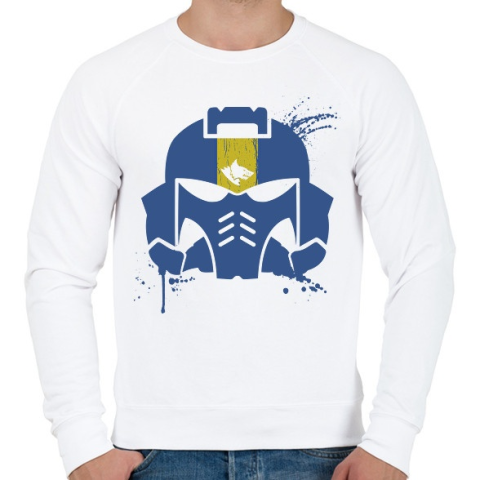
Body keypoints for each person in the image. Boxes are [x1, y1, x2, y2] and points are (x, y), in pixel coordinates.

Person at [24, 0, 455, 479]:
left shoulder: (363, 79)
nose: (237, 219)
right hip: (156, 450)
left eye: (267, 197)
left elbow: (422, 259)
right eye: (206, 197)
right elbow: (59, 268)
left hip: (324, 451)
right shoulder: (109, 82)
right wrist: (80, 442)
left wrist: (392, 440)